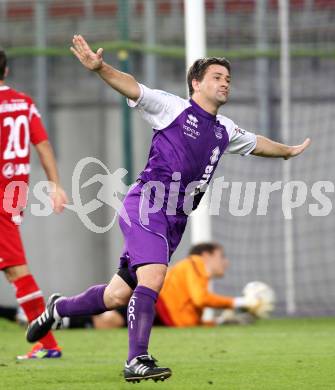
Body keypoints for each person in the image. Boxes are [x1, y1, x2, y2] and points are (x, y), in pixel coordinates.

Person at [27, 35, 310, 382]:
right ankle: (137, 360)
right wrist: (101, 68)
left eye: (228, 79)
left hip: (174, 220)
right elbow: (133, 88)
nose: (225, 83)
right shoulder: (173, 108)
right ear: (196, 82)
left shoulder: (224, 129)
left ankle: (57, 309)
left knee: (117, 295)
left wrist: (286, 151)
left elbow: (257, 144)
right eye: (217, 77)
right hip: (147, 204)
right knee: (155, 276)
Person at [0, 49, 68, 359]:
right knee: (13, 270)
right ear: (7, 71)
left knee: (17, 268)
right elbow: (42, 144)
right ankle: (48, 342)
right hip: (15, 190)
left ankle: (49, 341)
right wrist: (55, 184)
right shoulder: (24, 103)